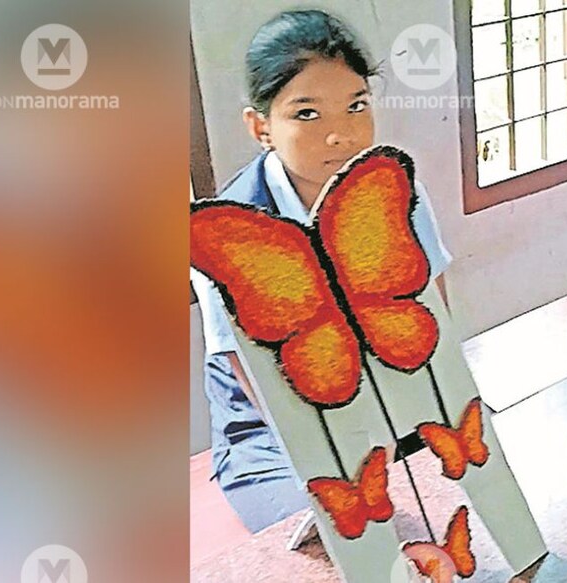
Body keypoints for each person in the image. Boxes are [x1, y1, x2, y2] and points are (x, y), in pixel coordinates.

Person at [189, 9, 451, 533]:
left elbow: (432, 314)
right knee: (352, 533)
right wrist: (356, 449)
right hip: (274, 434)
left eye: (356, 106)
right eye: (307, 115)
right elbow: (258, 383)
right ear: (261, 126)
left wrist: (419, 415)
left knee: (474, 501)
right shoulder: (228, 235)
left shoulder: (392, 189)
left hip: (394, 394)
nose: (341, 135)